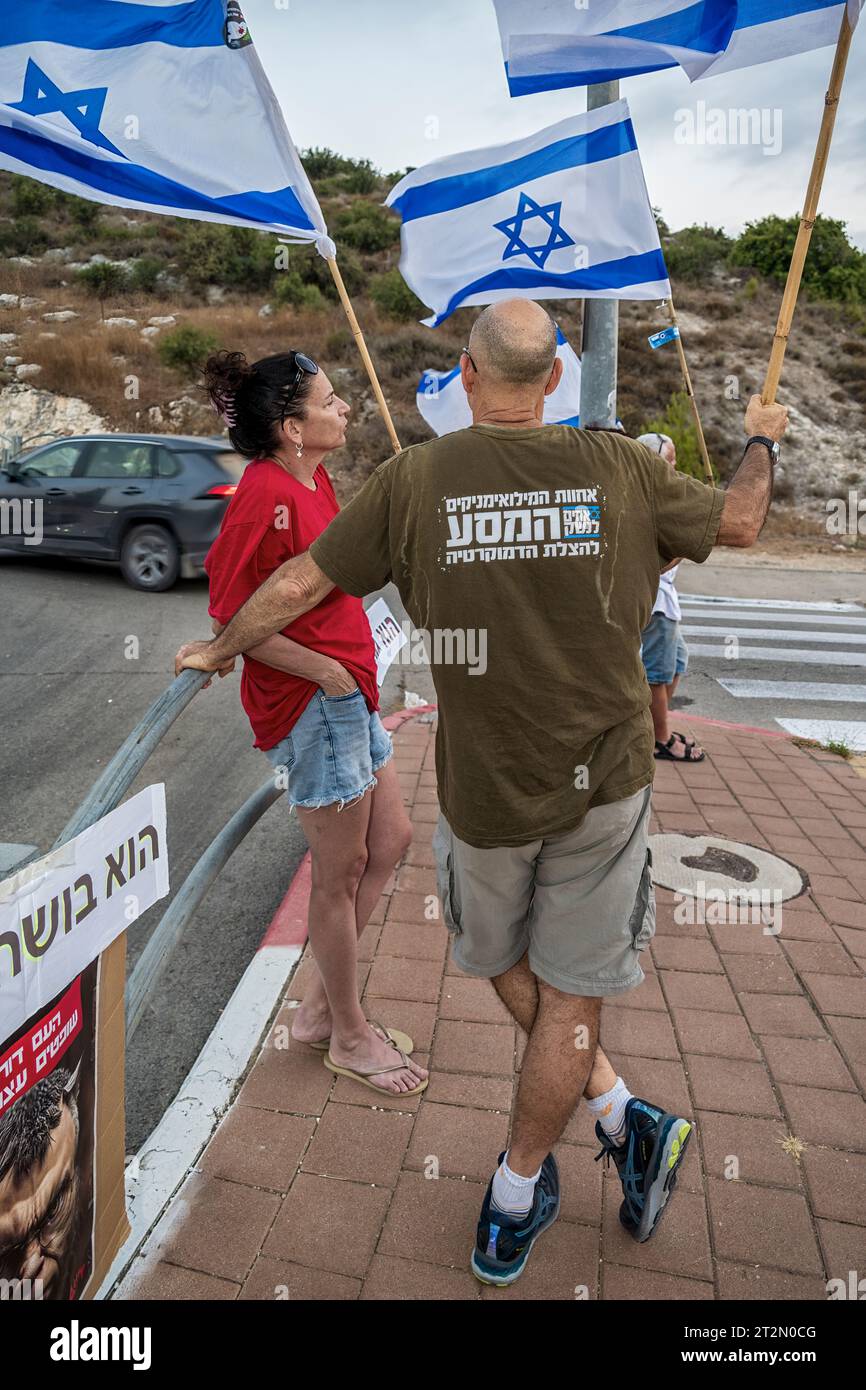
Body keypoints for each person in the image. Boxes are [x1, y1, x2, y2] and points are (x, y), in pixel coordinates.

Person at [176, 300, 788, 1286]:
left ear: (464, 378)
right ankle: (583, 1151)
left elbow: (292, 586)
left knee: (501, 961)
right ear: (554, 381)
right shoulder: (624, 466)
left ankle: (540, 1172)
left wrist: (218, 646)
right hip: (604, 791)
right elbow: (743, 521)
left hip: (482, 789)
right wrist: (757, 441)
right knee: (570, 995)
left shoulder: (415, 480)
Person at [201, 349, 425, 1098]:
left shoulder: (313, 477)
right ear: (293, 428)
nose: (346, 409)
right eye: (331, 402)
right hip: (315, 704)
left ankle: (318, 1012)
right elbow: (231, 621)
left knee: (390, 842)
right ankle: (348, 1034)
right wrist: (323, 671)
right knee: (339, 875)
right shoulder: (263, 494)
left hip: (350, 692)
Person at [637, 431, 705, 763]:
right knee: (657, 674)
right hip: (655, 604)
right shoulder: (643, 499)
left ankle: (651, 728)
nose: (675, 465)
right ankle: (659, 739)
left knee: (677, 662)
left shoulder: (664, 496)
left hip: (667, 603)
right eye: (670, 459)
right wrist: (686, 544)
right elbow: (653, 561)